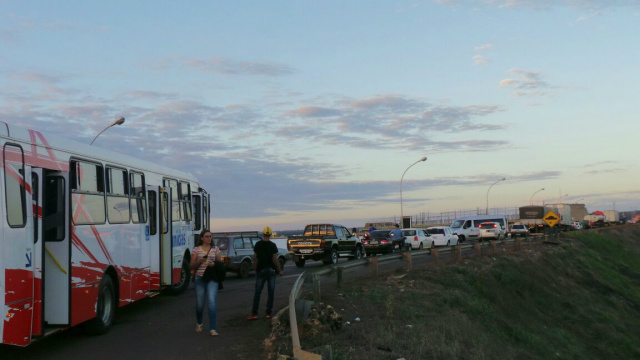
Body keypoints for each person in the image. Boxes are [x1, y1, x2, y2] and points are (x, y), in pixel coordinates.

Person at [190, 229, 223, 336]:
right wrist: (200, 261)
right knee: (200, 304)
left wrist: (213, 264)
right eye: (207, 236)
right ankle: (199, 323)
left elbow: (220, 263)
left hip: (212, 278)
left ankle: (212, 328)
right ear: (202, 238)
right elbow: (191, 266)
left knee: (212, 302)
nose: (209, 238)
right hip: (200, 278)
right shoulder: (196, 249)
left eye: (210, 236)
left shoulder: (215, 249)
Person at [248, 226, 284, 320]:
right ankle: (268, 313)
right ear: (270, 234)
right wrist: (279, 270)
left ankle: (254, 314)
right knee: (271, 292)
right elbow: (275, 259)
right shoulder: (272, 245)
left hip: (261, 270)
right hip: (271, 271)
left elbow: (255, 258)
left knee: (257, 292)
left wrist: (255, 269)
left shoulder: (258, 244)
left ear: (263, 234)